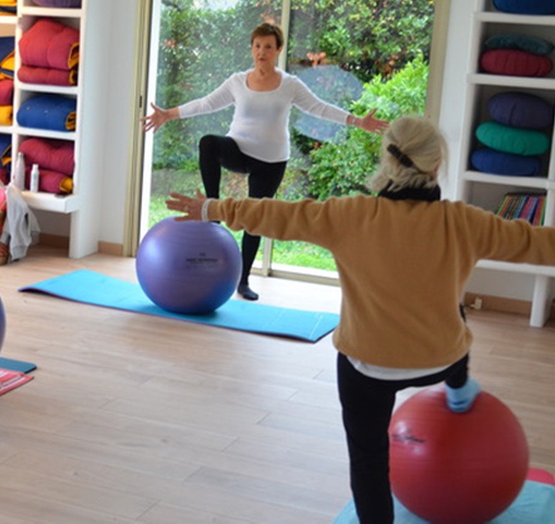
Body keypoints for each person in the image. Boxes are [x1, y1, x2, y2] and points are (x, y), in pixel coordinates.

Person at [165, 116, 555, 523]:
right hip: (440, 357)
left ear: (386, 163)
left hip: (369, 368)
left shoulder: (349, 215)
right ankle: (459, 387)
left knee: (369, 462)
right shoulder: (464, 222)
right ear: (436, 167)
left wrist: (213, 207)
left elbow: (280, 215)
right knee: (457, 329)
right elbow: (533, 243)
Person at [143, 22, 389, 301]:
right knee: (208, 143)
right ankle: (213, 210)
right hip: (238, 148)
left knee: (255, 218)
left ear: (278, 50)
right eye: (257, 46)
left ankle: (244, 280)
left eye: (268, 47)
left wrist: (356, 121)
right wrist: (168, 114)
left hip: (270, 161)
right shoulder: (237, 81)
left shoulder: (290, 85)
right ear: (252, 48)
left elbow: (318, 107)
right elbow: (205, 103)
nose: (262, 52)